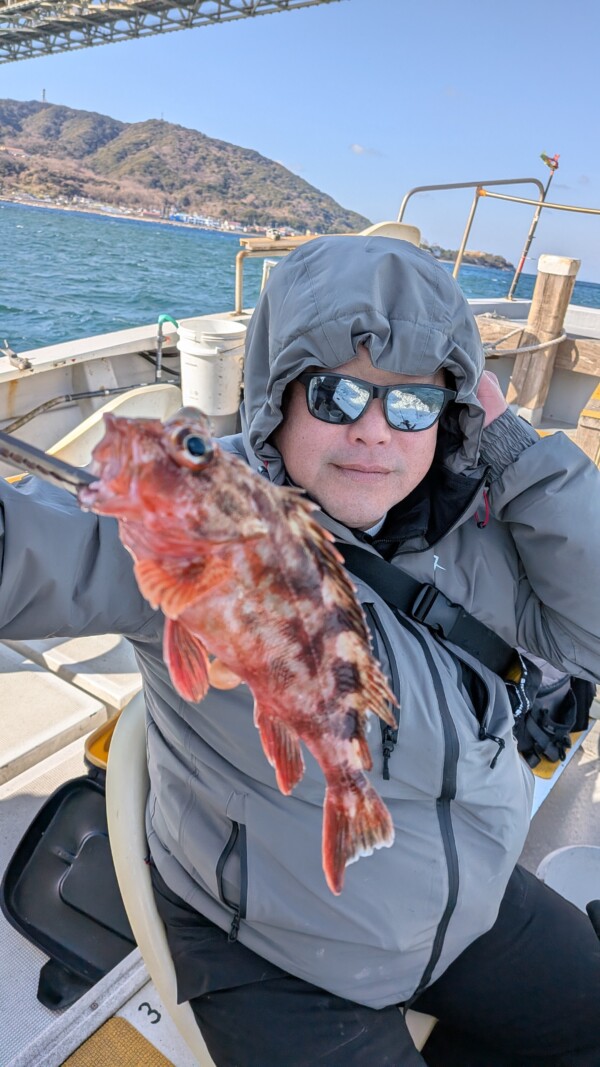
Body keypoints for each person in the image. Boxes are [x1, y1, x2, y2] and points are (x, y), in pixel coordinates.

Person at [1, 236, 599, 1066]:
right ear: (277, 396)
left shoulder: (478, 521)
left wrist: (520, 456)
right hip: (275, 944)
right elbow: (47, 549)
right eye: (336, 392)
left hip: (474, 897)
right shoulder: (207, 516)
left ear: (455, 417)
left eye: (415, 405)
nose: (374, 432)